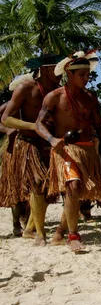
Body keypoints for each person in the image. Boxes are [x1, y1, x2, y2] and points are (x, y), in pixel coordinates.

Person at [35, 51, 101, 253]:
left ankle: (60, 231)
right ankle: (73, 236)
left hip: (88, 150)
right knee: (74, 187)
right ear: (69, 74)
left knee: (76, 194)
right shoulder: (54, 97)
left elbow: (100, 126)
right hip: (66, 150)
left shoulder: (90, 98)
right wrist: (51, 139)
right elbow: (38, 124)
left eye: (88, 75)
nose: (86, 78)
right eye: (82, 75)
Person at [1, 54, 64, 245]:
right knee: (37, 182)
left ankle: (29, 228)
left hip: (50, 144)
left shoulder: (59, 92)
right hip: (28, 143)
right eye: (56, 69)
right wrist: (33, 127)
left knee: (45, 188)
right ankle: (40, 233)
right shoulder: (26, 89)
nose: (60, 74)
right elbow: (6, 118)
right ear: (43, 69)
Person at [0, 101, 30, 236]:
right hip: (14, 150)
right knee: (16, 188)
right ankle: (16, 224)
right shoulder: (9, 105)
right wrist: (6, 129)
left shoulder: (39, 101)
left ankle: (29, 222)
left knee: (32, 187)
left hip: (32, 147)